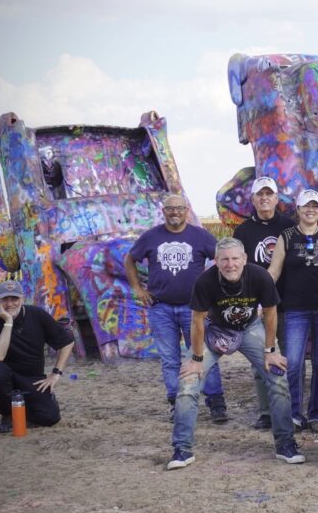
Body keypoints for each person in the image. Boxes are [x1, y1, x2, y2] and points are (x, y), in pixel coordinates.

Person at [168, 238, 303, 470]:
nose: (230, 264)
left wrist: (270, 351)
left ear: (244, 259)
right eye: (225, 260)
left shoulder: (260, 276)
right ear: (216, 262)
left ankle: (286, 443)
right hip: (215, 329)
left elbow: (270, 313)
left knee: (277, 375)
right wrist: (197, 359)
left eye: (234, 259)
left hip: (250, 328)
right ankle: (182, 448)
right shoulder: (205, 281)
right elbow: (197, 321)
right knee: (188, 382)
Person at [126, 194, 228, 423]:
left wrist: (215, 291)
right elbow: (130, 259)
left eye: (179, 208)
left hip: (195, 308)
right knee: (169, 358)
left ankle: (216, 402)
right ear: (164, 211)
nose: (175, 212)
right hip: (160, 307)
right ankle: (176, 403)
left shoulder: (200, 236)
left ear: (186, 211)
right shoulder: (151, 237)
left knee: (204, 353)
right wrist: (137, 288)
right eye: (170, 208)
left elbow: (222, 259)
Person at [268, 189, 318, 432]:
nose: (311, 210)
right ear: (297, 210)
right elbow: (274, 272)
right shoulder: (286, 237)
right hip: (295, 308)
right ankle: (294, 413)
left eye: (315, 207)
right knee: (295, 361)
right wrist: (261, 299)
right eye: (306, 206)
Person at [233, 175, 296, 431]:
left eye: (269, 194)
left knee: (289, 359)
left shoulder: (289, 226)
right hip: (256, 307)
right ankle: (267, 411)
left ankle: (290, 409)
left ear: (277, 198)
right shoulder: (243, 230)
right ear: (253, 199)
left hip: (287, 303)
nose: (265, 198)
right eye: (260, 194)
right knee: (261, 361)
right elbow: (237, 268)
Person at [0, 280, 74, 432]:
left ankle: (24, 410)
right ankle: (8, 414)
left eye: (14, 298)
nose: (9, 303)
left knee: (50, 418)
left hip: (32, 378)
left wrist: (56, 373)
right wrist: (8, 322)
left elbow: (67, 342)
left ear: (22, 299)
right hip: (5, 375)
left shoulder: (38, 315)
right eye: (5, 299)